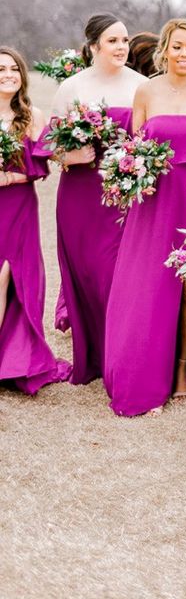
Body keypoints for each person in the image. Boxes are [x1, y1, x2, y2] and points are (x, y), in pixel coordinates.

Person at [105, 18, 186, 416]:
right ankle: (146, 372)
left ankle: (183, 374)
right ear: (165, 49)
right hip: (152, 203)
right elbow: (133, 150)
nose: (185, 54)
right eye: (178, 46)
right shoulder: (146, 91)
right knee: (149, 286)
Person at [39, 14, 147, 385]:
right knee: (86, 272)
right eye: (113, 41)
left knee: (117, 272)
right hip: (81, 194)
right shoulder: (72, 87)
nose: (122, 47)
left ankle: (122, 351)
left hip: (124, 193)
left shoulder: (142, 85)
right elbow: (49, 144)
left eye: (125, 40)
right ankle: (94, 353)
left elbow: (151, 137)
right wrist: (70, 155)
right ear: (94, 46)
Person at [0, 48, 71, 394]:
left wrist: (10, 178)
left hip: (17, 209)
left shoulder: (31, 116)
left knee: (6, 279)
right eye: (1, 69)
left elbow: (44, 162)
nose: (9, 74)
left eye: (14, 68)